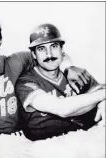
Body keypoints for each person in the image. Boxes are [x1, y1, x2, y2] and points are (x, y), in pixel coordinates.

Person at [15, 23, 105, 157]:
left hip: (86, 137)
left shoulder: (76, 74)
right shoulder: (26, 81)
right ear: (33, 54)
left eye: (54, 46)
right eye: (41, 49)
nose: (49, 54)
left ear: (62, 50)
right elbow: (62, 109)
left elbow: (100, 97)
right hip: (45, 145)